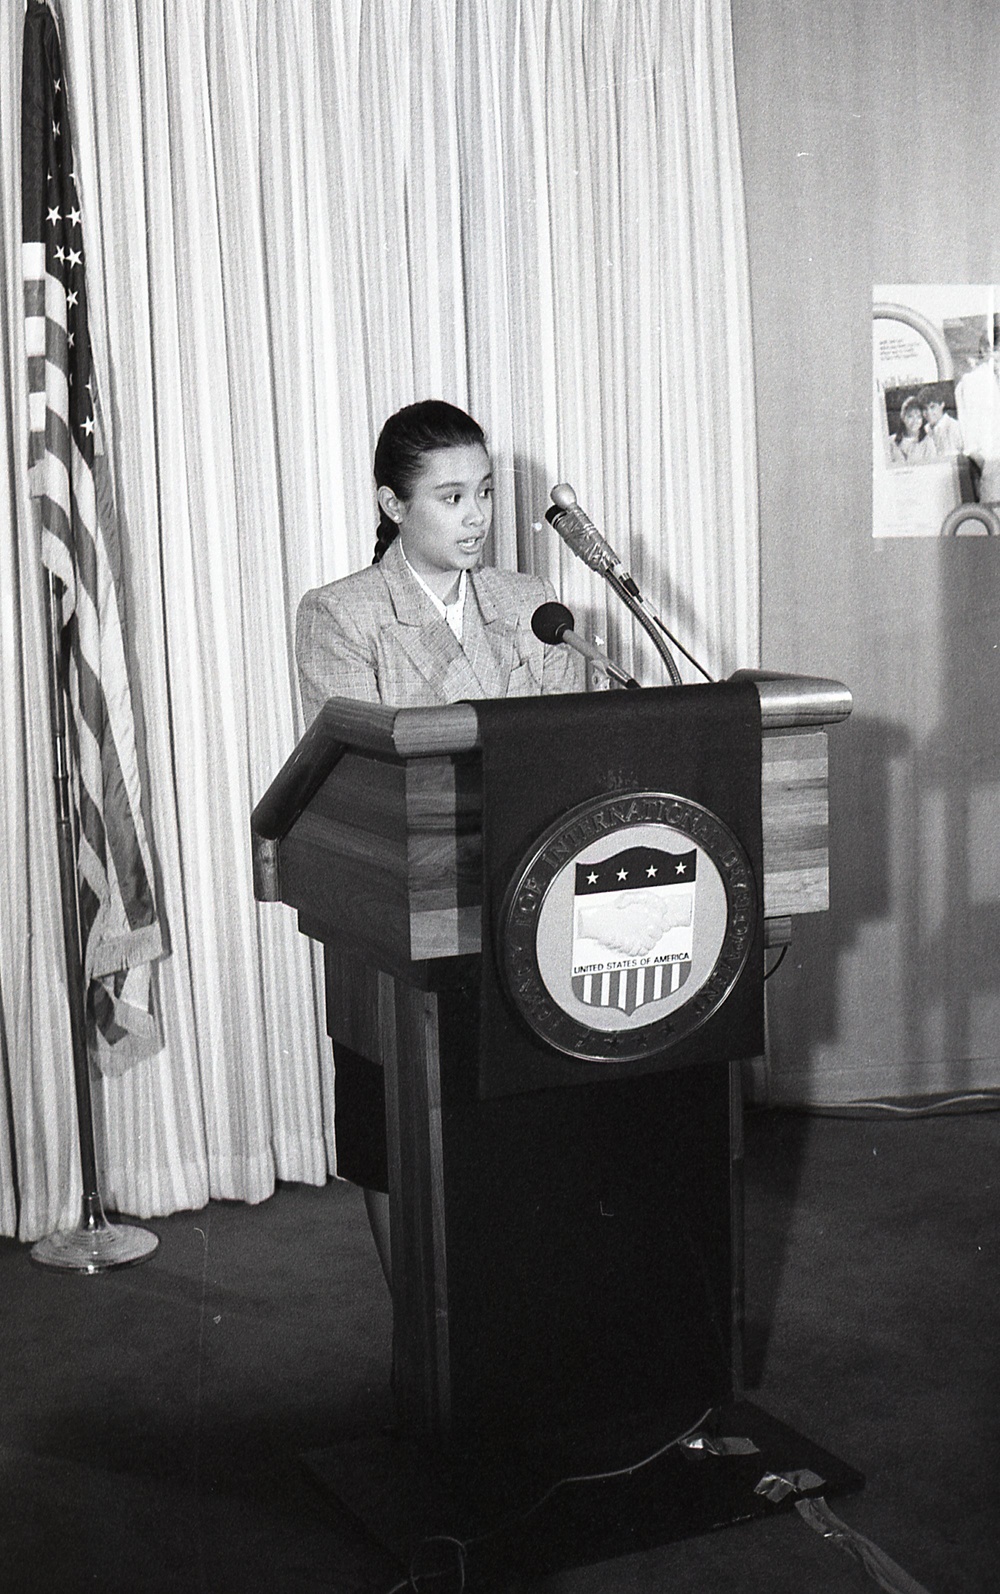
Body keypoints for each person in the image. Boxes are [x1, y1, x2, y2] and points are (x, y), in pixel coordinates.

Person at [296, 400, 583, 1284]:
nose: (477, 517)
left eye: (487, 493)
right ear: (392, 504)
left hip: (526, 895)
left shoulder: (531, 603)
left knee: (519, 1126)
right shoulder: (342, 614)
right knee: (397, 1127)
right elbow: (361, 767)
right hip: (398, 904)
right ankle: (419, 1331)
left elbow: (570, 742)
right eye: (451, 497)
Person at [955, 315, 1000, 502]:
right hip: (994, 470)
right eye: (996, 350)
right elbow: (968, 440)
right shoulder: (971, 383)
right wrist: (989, 467)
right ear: (986, 350)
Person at [918, 383, 963, 456]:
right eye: (925, 409)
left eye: (932, 407)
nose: (929, 413)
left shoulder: (956, 427)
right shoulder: (923, 431)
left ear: (942, 405)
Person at [889, 395, 936, 464]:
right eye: (910, 416)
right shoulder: (891, 442)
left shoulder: (928, 443)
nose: (915, 421)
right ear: (903, 417)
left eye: (919, 417)